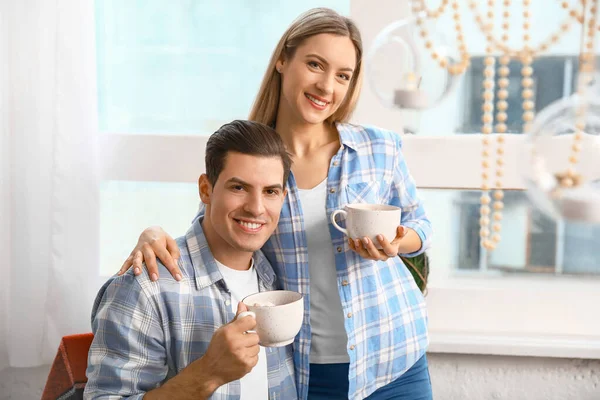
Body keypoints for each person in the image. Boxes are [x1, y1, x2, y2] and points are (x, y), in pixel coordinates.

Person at [118, 8, 433, 400]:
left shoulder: (379, 147)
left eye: (343, 75)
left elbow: (421, 225)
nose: (326, 86)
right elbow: (213, 236)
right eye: (315, 64)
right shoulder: (255, 160)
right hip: (303, 369)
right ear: (283, 60)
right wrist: (152, 235)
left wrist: (397, 242)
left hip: (395, 359)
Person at [84, 120, 297, 400]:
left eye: (270, 191)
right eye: (239, 188)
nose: (256, 208)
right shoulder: (145, 289)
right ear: (206, 190)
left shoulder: (276, 280)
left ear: (282, 197)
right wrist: (209, 373)